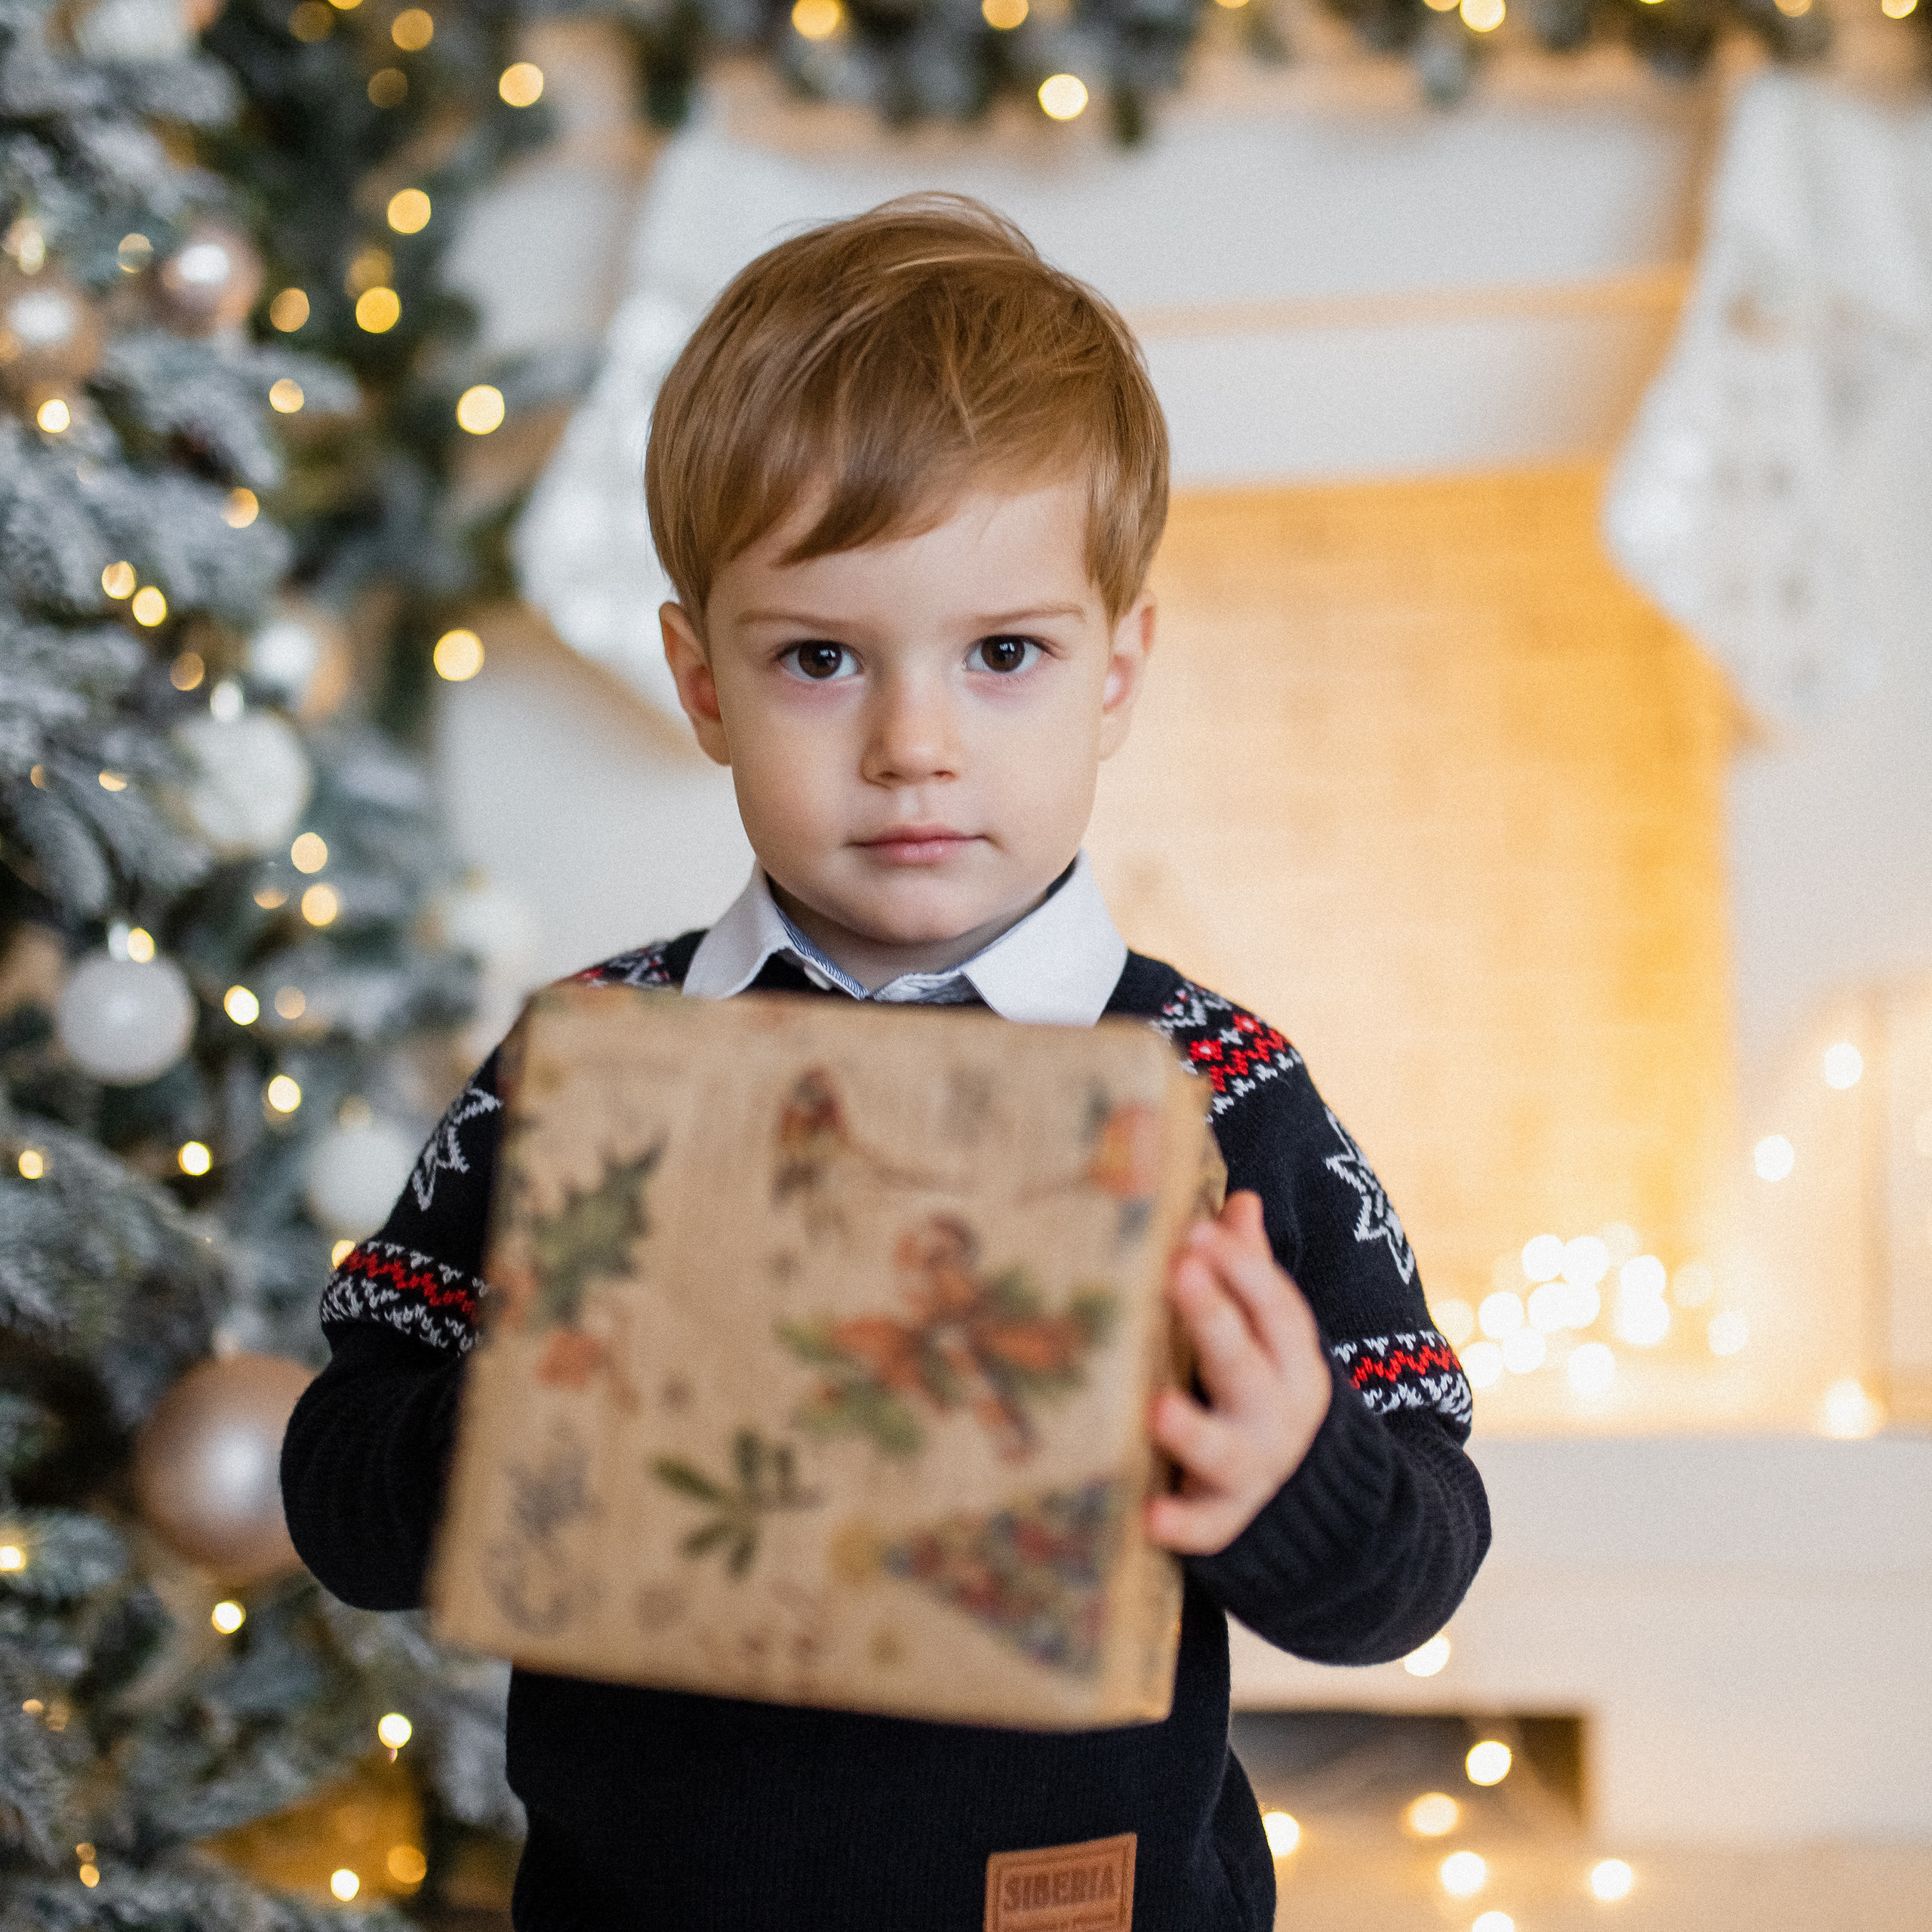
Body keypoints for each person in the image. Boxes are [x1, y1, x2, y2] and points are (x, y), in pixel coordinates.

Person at [282, 194, 1488, 1932]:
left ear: (1114, 670)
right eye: (820, 658)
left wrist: (1286, 1474)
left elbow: (1417, 1546)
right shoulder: (593, 1064)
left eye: (1002, 654)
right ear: (700, 682)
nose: (912, 744)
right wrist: (535, 1408)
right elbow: (342, 1482)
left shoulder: (1216, 1084)